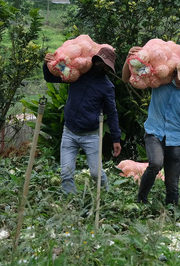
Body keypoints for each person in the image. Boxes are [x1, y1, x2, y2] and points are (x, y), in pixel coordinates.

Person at [123, 50, 180, 205]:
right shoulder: (158, 81)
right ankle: (141, 199)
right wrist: (130, 59)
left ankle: (171, 212)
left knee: (172, 183)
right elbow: (126, 78)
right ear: (175, 72)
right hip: (154, 132)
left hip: (176, 138)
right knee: (155, 163)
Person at [43, 47, 122, 194]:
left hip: (91, 136)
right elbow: (51, 78)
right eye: (100, 63)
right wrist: (47, 64)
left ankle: (108, 194)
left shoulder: (107, 87)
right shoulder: (77, 73)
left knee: (96, 174)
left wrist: (116, 138)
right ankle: (70, 203)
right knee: (66, 174)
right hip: (69, 132)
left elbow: (112, 113)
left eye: (105, 66)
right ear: (95, 60)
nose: (102, 67)